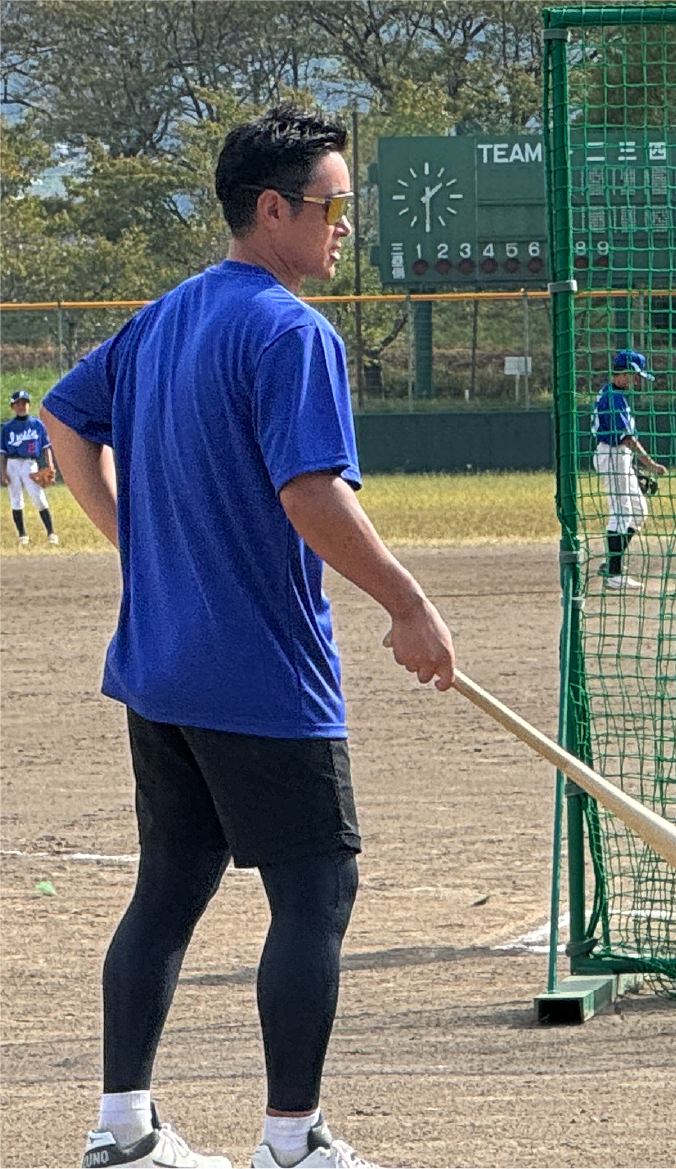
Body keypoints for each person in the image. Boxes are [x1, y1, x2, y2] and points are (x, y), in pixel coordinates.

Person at [43, 103, 455, 1169]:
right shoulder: (291, 330)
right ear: (272, 209)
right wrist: (407, 603)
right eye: (331, 205)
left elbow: (61, 418)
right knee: (317, 889)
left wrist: (135, 538)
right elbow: (311, 494)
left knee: (169, 885)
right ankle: (291, 1140)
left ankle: (123, 1129)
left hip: (161, 664)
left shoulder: (165, 316)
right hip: (261, 673)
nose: (344, 225)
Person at [591, 348, 666, 591]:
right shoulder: (612, 398)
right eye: (634, 376)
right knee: (621, 512)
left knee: (639, 510)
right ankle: (614, 575)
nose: (636, 381)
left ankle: (610, 563)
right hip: (612, 454)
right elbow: (626, 438)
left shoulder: (614, 393)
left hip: (618, 457)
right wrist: (650, 464)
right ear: (623, 373)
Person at [3, 389, 60, 545]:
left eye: (24, 403)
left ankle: (51, 533)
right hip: (12, 464)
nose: (21, 406)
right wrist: (3, 472)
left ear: (29, 405)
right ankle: (22, 535)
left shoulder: (37, 424)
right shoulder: (7, 428)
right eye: (18, 404)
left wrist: (50, 465)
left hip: (30, 464)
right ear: (12, 407)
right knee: (16, 499)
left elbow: (46, 447)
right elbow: (3, 453)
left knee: (38, 497)